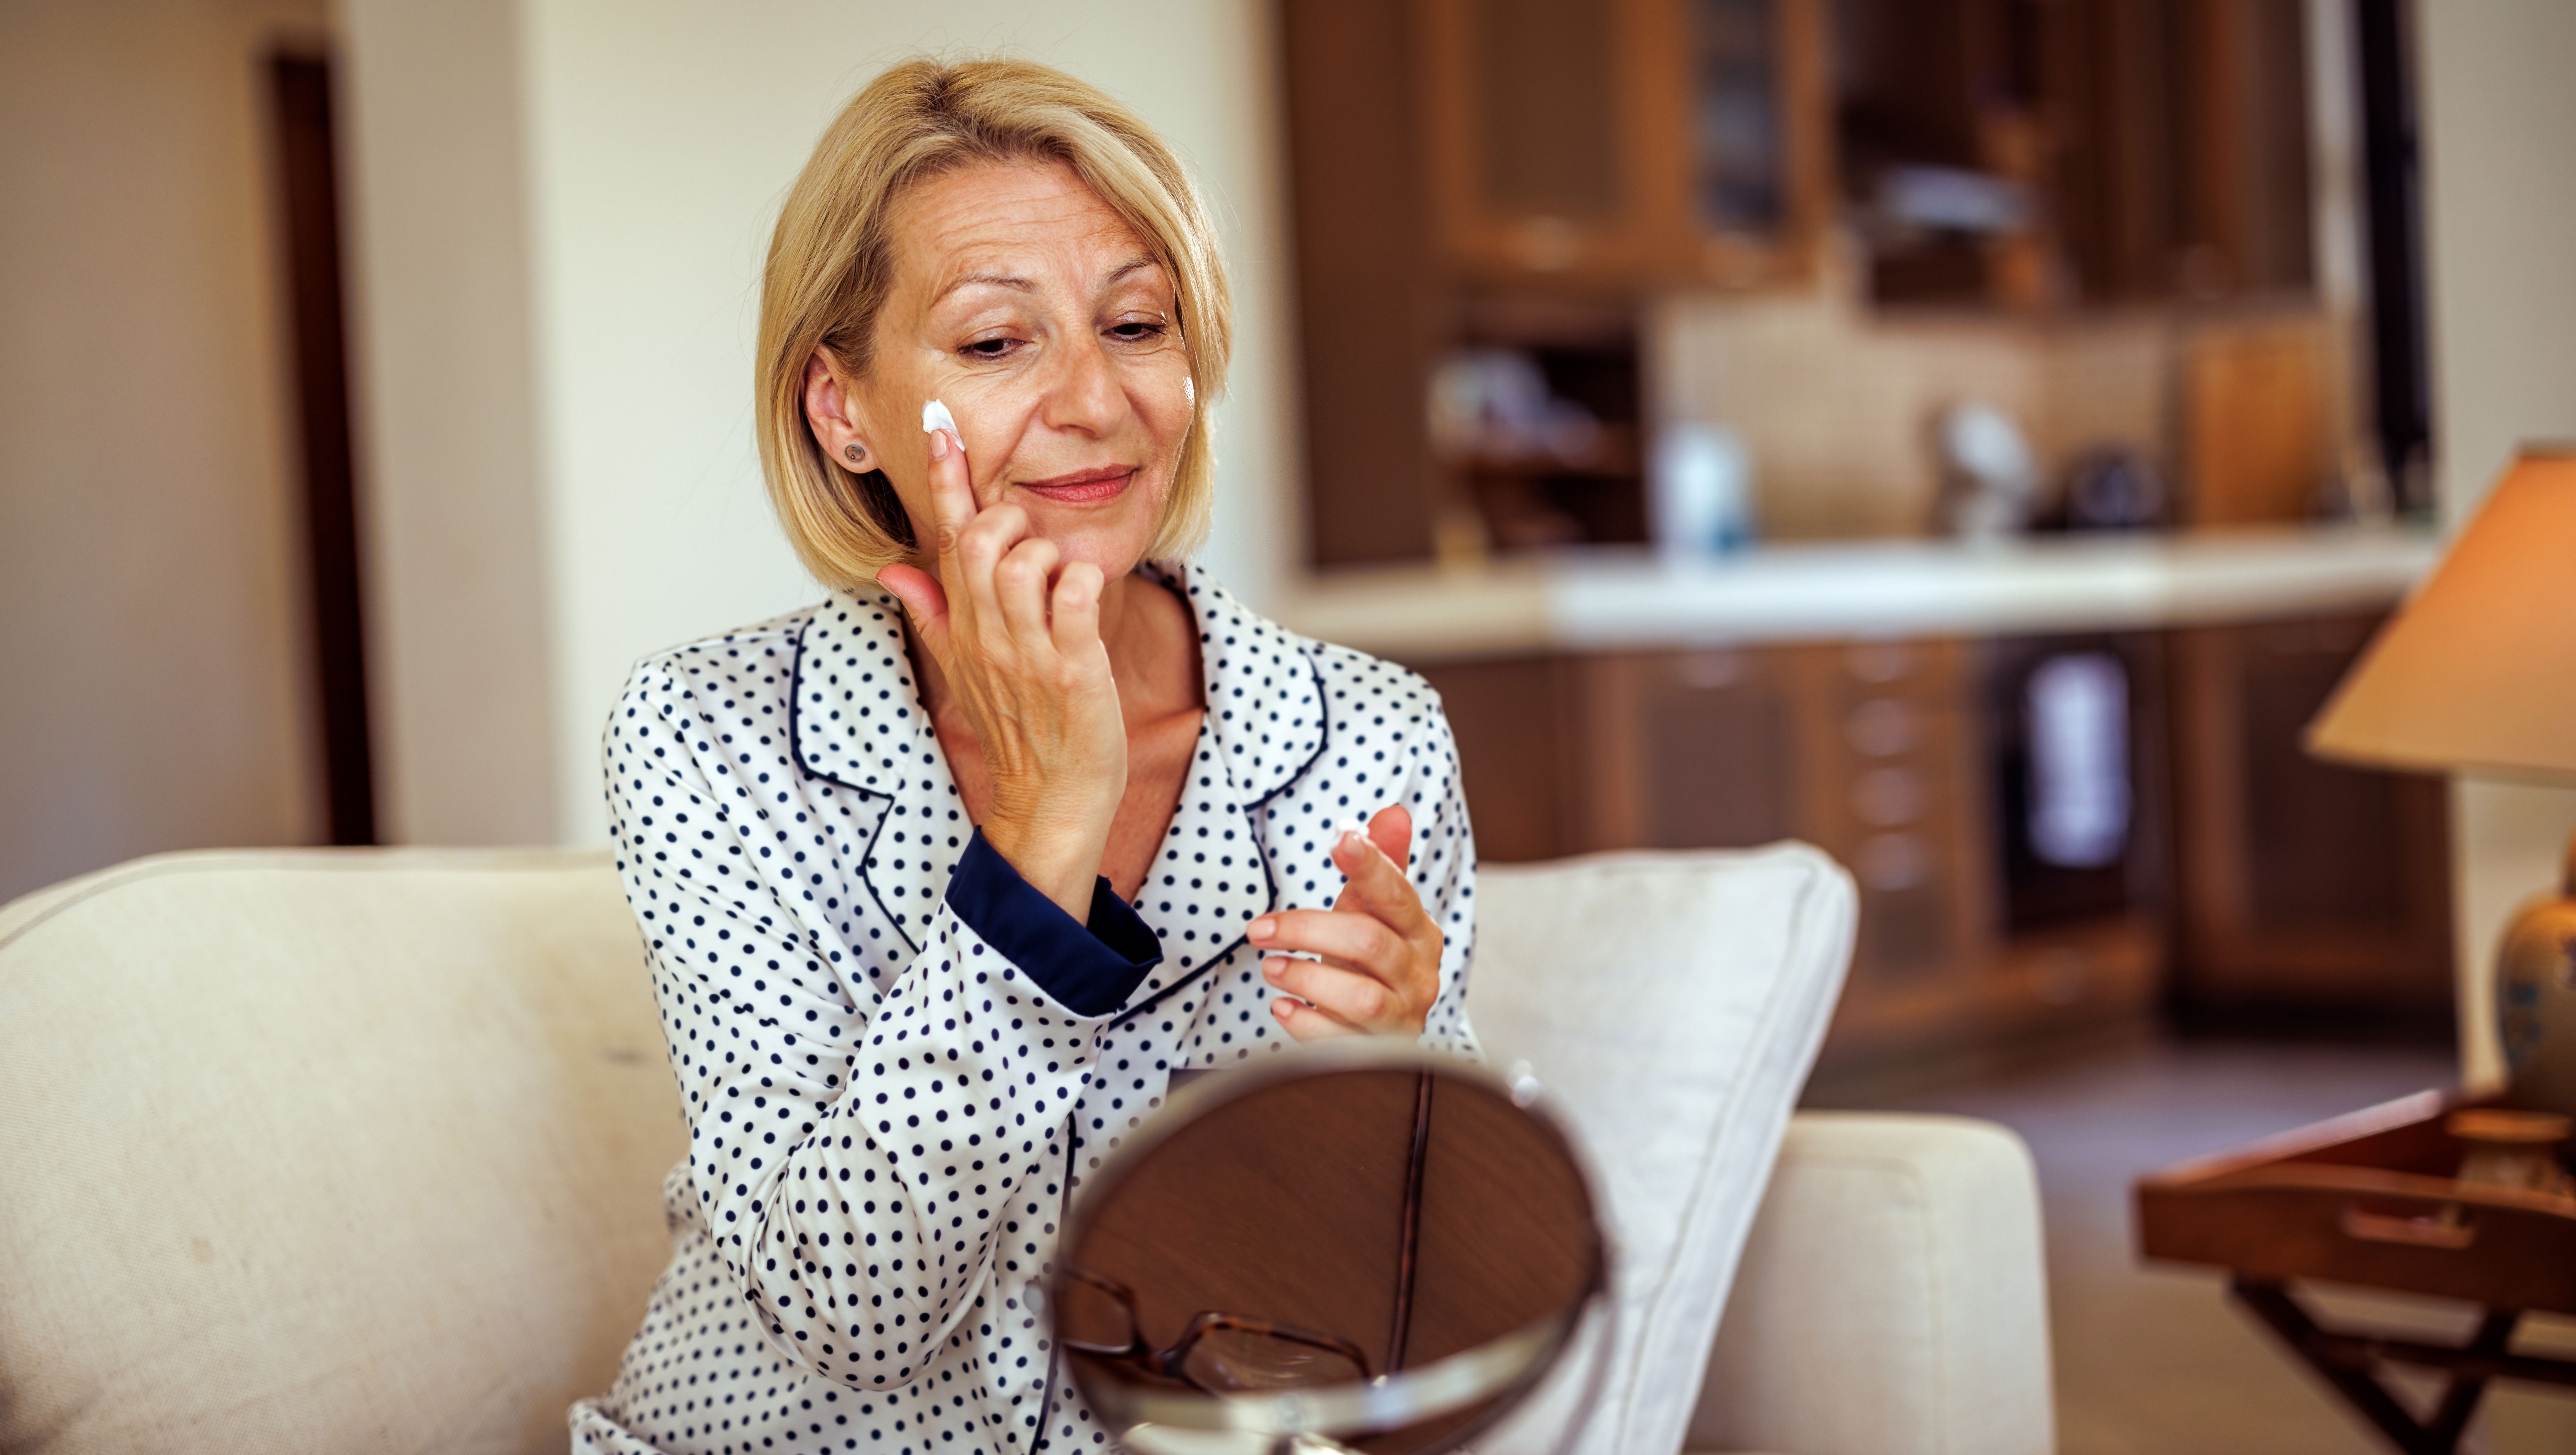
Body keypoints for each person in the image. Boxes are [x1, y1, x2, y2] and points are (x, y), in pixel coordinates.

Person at [570, 56, 1479, 1455]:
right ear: (843, 407)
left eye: (1135, 323)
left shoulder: (1368, 736)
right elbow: (846, 1305)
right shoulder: (713, 735)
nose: (1095, 401)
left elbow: (1415, 1320)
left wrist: (1403, 1082)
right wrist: (1048, 835)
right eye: (997, 342)